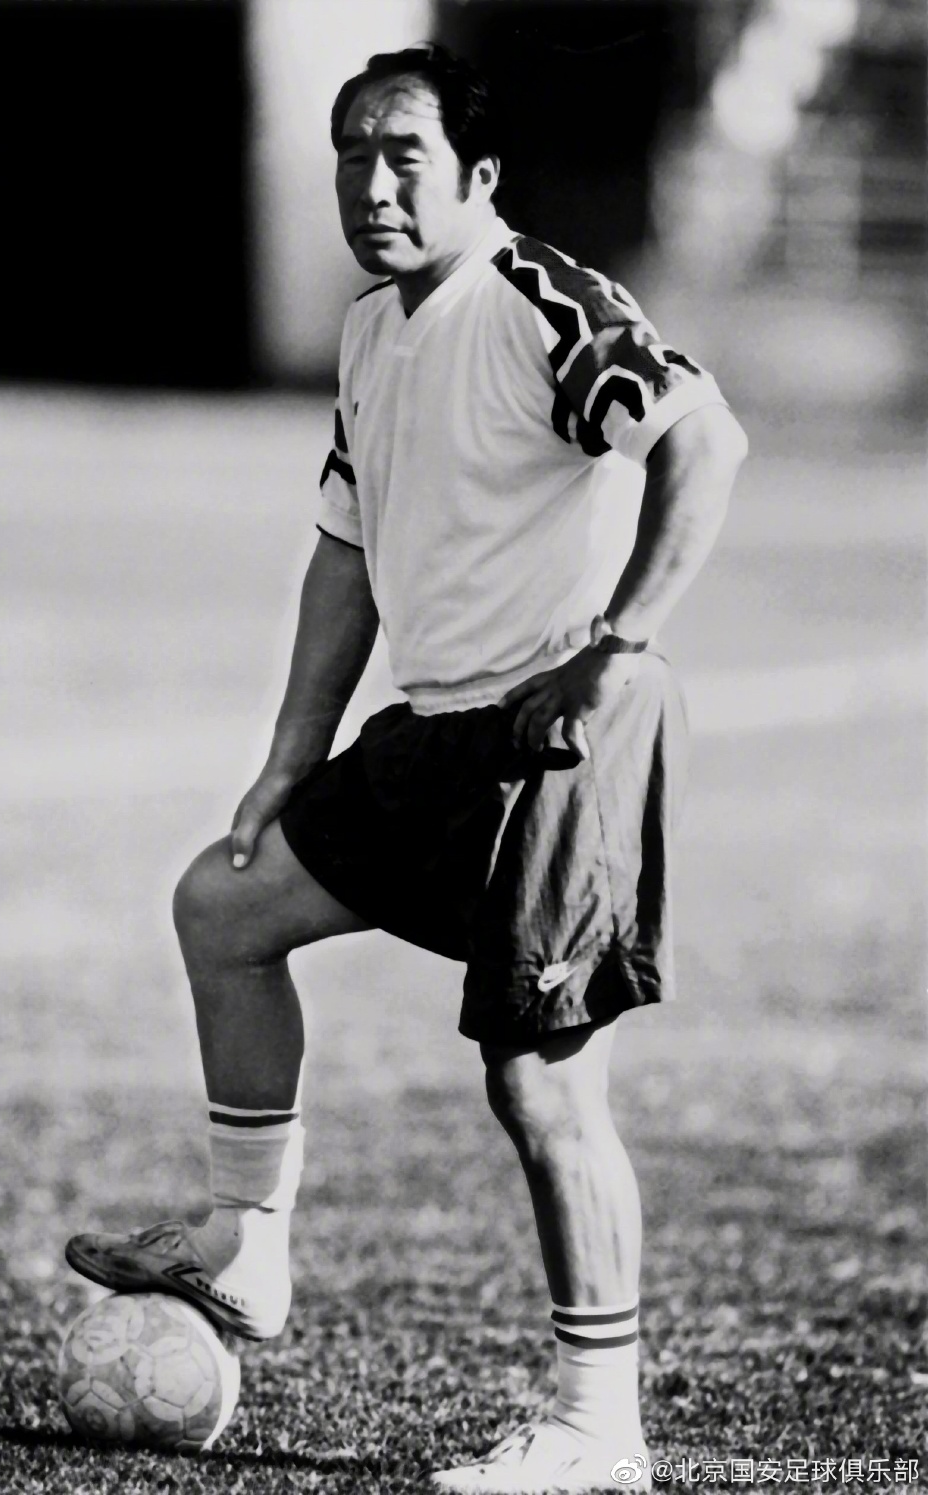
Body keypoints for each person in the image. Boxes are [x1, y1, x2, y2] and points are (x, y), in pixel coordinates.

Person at [66, 44, 748, 1493]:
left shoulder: (541, 301)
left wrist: (620, 642)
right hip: (431, 736)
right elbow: (348, 551)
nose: (371, 183)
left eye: (404, 155)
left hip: (559, 742)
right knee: (222, 907)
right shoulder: (374, 329)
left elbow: (707, 444)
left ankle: (600, 1432)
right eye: (350, 153)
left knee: (542, 1087)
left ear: (479, 176)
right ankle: (247, 1245)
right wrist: (286, 759)